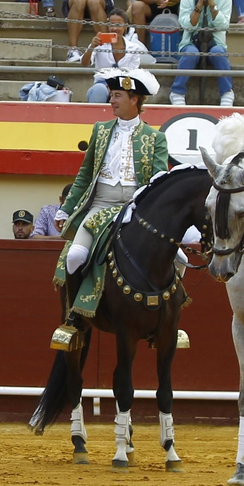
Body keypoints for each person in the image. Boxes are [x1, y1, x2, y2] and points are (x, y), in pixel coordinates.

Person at [51, 69, 170, 346]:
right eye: (111, 95)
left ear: (134, 99)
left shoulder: (155, 138)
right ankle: (73, 318)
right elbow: (84, 175)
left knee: (177, 256)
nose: (111, 101)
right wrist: (66, 209)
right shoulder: (101, 130)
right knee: (74, 256)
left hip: (136, 206)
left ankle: (167, 319)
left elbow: (158, 179)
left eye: (117, 95)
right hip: (100, 204)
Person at [168, 0, 234, 106]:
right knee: (191, 53)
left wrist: (212, 5)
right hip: (191, 40)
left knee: (219, 53)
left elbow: (223, 25)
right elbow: (186, 25)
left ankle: (227, 92)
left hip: (215, 41)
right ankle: (177, 92)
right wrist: (198, 6)